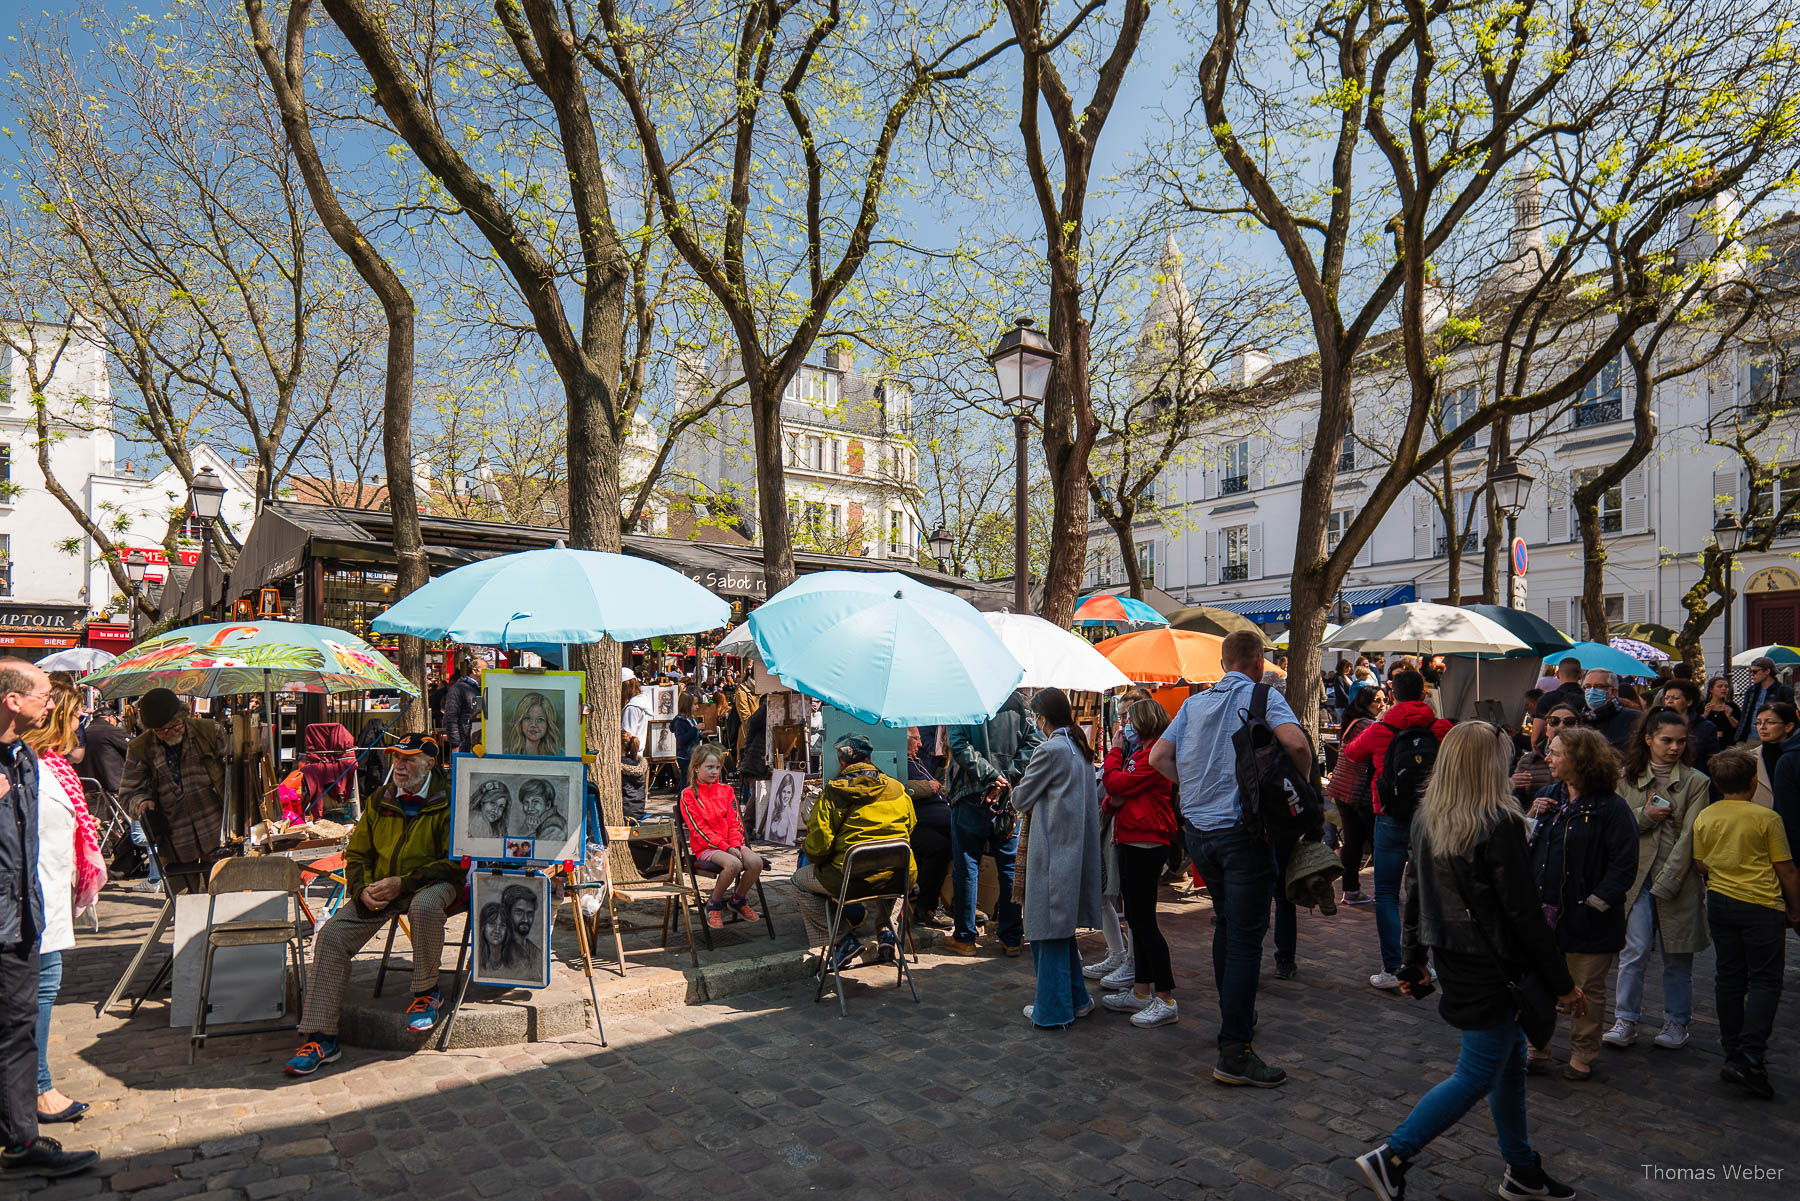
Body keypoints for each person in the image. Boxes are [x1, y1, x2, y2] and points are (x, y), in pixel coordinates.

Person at [1354, 723, 1581, 1201]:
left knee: (1510, 1063)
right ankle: (1394, 1155)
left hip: (1455, 956)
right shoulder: (1497, 822)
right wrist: (1562, 983)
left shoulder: (1429, 816)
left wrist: (1413, 958)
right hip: (1493, 964)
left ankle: (1521, 1168)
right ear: (1489, 764)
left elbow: (1413, 893)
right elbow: (1522, 914)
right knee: (1478, 1071)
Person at [1148, 629, 1313, 1088]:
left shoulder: (1195, 703)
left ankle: (1234, 1016)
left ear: (1224, 663)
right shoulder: (1263, 696)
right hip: (1244, 832)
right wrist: (1294, 792)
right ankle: (1235, 1047)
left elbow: (1160, 755)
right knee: (1243, 938)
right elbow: (1298, 746)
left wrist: (1194, 788)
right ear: (1258, 660)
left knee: (1226, 924)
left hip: (1200, 831)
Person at [285, 734, 463, 1076]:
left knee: (424, 907)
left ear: (428, 764)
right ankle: (322, 1037)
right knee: (332, 936)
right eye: (396, 757)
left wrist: (403, 883)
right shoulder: (381, 798)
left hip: (430, 883)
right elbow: (357, 854)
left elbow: (454, 863)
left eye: (409, 759)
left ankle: (426, 992)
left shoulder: (448, 800)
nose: (399, 765)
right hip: (380, 887)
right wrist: (361, 888)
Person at [0, 661, 97, 1178]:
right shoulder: (20, 758)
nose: (54, 703)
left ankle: (20, 1134)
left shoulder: (23, 759)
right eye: (45, 694)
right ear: (14, 701)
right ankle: (25, 1118)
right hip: (12, 909)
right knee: (18, 1018)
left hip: (28, 908)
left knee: (20, 1021)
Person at [1526, 727, 1638, 1081]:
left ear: (1581, 760)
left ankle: (1583, 1053)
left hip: (1588, 918)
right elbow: (1523, 848)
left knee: (1587, 988)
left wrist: (1597, 902)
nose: (1548, 757)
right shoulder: (1547, 795)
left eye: (1556, 753)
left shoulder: (1611, 808)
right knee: (1538, 983)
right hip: (1544, 914)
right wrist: (1530, 816)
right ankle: (1538, 1047)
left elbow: (1624, 863)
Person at [1690, 748, 1800, 1100]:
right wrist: (1794, 907)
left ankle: (1732, 1049)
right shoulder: (1767, 818)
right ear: (1754, 781)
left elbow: (1701, 863)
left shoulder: (1706, 815)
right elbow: (1787, 869)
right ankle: (1752, 1054)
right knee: (1766, 979)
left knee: (1730, 976)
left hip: (1721, 901)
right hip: (1761, 905)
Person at [1601, 708, 1710, 1053]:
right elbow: (1612, 827)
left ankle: (1677, 1022)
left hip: (1677, 879)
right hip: (1635, 878)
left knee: (1678, 955)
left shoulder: (1696, 781)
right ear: (1648, 739)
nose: (1674, 747)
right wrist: (1644, 817)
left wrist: (1668, 880)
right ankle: (1625, 1019)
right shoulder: (1624, 777)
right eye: (1666, 740)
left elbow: (1691, 837)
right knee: (1633, 951)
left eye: (1680, 741)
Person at [23, 685, 105, 1126]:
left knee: (43, 988)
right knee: (37, 992)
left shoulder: (53, 766)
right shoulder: (27, 764)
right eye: (76, 717)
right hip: (30, 898)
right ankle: (36, 1088)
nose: (80, 725)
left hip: (49, 894)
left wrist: (78, 822)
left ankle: (34, 1085)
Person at [1340, 668, 1452, 992]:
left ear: (1393, 694)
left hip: (1388, 816)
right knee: (1425, 892)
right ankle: (1422, 960)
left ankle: (1392, 967)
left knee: (1386, 894)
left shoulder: (1380, 728)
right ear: (1423, 694)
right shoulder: (1440, 727)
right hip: (1430, 817)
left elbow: (1350, 752)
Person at [1014, 689, 1106, 1029]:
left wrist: (1013, 787)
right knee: (1059, 929)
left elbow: (1022, 797)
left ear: (1042, 717)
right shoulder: (1078, 747)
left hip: (1053, 852)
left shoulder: (1050, 749)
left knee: (1046, 931)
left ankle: (1053, 1009)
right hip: (1071, 851)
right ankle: (1077, 999)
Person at [791, 734, 915, 967]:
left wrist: (807, 846)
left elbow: (818, 849)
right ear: (870, 758)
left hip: (849, 879)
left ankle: (842, 940)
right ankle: (887, 930)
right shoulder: (897, 788)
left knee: (799, 881)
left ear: (841, 762)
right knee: (892, 873)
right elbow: (911, 826)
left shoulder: (833, 793)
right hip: (895, 876)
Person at [1098, 697, 1180, 1026]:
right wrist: (1114, 799)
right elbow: (1116, 794)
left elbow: (1116, 783)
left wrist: (1115, 751)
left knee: (1145, 922)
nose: (1123, 726)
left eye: (1128, 720)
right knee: (1135, 917)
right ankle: (1142, 989)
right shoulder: (1142, 752)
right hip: (1133, 836)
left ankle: (1165, 996)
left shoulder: (1152, 754)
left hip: (1147, 840)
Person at [942, 689, 1042, 957]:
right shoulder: (1018, 702)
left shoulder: (965, 700)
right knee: (1007, 868)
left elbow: (959, 744)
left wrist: (993, 777)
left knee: (967, 865)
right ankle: (1011, 937)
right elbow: (1033, 743)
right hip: (1007, 797)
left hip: (972, 795)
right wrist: (1005, 777)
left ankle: (965, 937)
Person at [118, 688, 227, 888]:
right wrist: (141, 802)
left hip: (216, 830)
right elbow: (128, 793)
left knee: (224, 897)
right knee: (186, 906)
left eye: (174, 726)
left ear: (182, 717)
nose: (168, 733)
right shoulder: (140, 748)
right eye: (161, 730)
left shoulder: (210, 731)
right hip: (175, 840)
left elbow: (233, 776)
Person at [679, 745, 761, 930]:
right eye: (709, 767)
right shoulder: (688, 795)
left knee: (756, 863)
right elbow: (699, 829)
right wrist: (726, 847)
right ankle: (714, 903)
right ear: (696, 768)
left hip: (731, 843)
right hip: (706, 847)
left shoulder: (726, 791)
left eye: (717, 767)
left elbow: (735, 822)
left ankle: (738, 899)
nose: (714, 771)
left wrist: (734, 845)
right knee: (734, 864)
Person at [1327, 686, 1384, 905]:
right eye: (1375, 701)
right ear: (1364, 702)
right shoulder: (1367, 726)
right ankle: (1383, 892)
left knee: (1353, 842)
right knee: (1375, 842)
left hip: (1343, 789)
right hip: (1358, 791)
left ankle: (1351, 889)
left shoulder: (1351, 722)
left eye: (1381, 700)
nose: (1380, 704)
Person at [903, 727, 952, 930]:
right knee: (939, 848)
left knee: (964, 841)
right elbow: (901, 787)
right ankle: (926, 908)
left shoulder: (916, 761)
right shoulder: (898, 763)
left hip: (939, 821)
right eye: (916, 739)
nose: (921, 744)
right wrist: (924, 788)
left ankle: (959, 904)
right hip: (917, 826)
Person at [1510, 703, 1577, 809]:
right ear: (1546, 729)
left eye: (1569, 722)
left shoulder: (1587, 761)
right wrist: (1515, 787)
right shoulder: (1528, 761)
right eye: (1554, 721)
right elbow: (1516, 805)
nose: (1561, 726)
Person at [1656, 679, 1720, 771]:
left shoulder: (1705, 727)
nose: (1669, 701)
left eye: (1675, 698)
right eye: (1666, 698)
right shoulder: (1656, 723)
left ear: (1689, 702)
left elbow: (1713, 759)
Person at [1736, 655, 1794, 745]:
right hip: (1749, 739)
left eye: (1755, 671)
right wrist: (1739, 737)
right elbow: (1745, 715)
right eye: (1750, 671)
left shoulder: (1784, 691)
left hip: (1774, 740)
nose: (1751, 674)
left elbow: (1790, 716)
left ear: (1767, 671)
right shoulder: (1751, 691)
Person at [1749, 701, 1796, 808]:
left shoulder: (1794, 757)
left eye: (1769, 722)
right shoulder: (1750, 757)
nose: (1762, 727)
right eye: (1758, 722)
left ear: (1788, 727)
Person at [78, 710, 126, 796]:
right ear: (111, 718)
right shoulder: (112, 731)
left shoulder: (84, 732)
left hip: (88, 786)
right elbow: (132, 750)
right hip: (113, 785)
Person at [442, 655, 481, 753]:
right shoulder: (458, 689)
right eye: (486, 669)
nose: (489, 672)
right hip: (465, 743)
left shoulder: (483, 689)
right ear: (475, 671)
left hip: (478, 742)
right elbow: (451, 717)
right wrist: (456, 744)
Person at [504, 691, 560, 757]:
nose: (533, 724)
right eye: (527, 718)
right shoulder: (508, 754)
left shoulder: (559, 754)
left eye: (540, 719)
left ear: (548, 724)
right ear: (520, 722)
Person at [510, 778, 566, 843]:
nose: (530, 808)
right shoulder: (537, 822)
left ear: (548, 805)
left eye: (536, 802)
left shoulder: (554, 829)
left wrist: (532, 832)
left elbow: (536, 851)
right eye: (526, 802)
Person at [671, 693, 701, 788]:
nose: (697, 707)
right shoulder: (680, 721)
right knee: (686, 783)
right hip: (685, 756)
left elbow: (693, 737)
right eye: (695, 704)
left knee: (692, 782)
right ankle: (682, 801)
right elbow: (682, 740)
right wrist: (695, 729)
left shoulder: (691, 719)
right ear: (687, 705)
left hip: (693, 754)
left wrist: (700, 734)